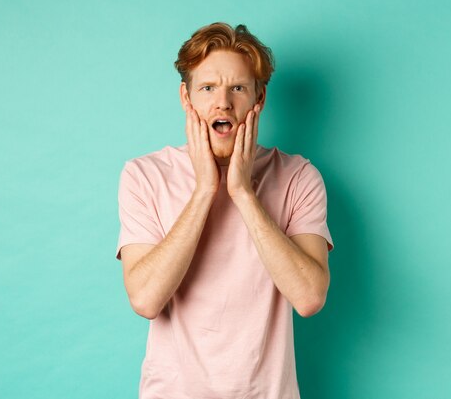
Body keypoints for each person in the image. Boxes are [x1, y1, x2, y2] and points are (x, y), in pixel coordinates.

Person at [116, 22, 334, 399]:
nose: (223, 103)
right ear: (186, 98)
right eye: (207, 88)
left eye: (237, 88)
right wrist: (204, 191)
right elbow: (146, 299)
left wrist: (242, 192)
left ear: (259, 98)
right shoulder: (144, 176)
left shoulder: (299, 176)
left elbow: (310, 298)